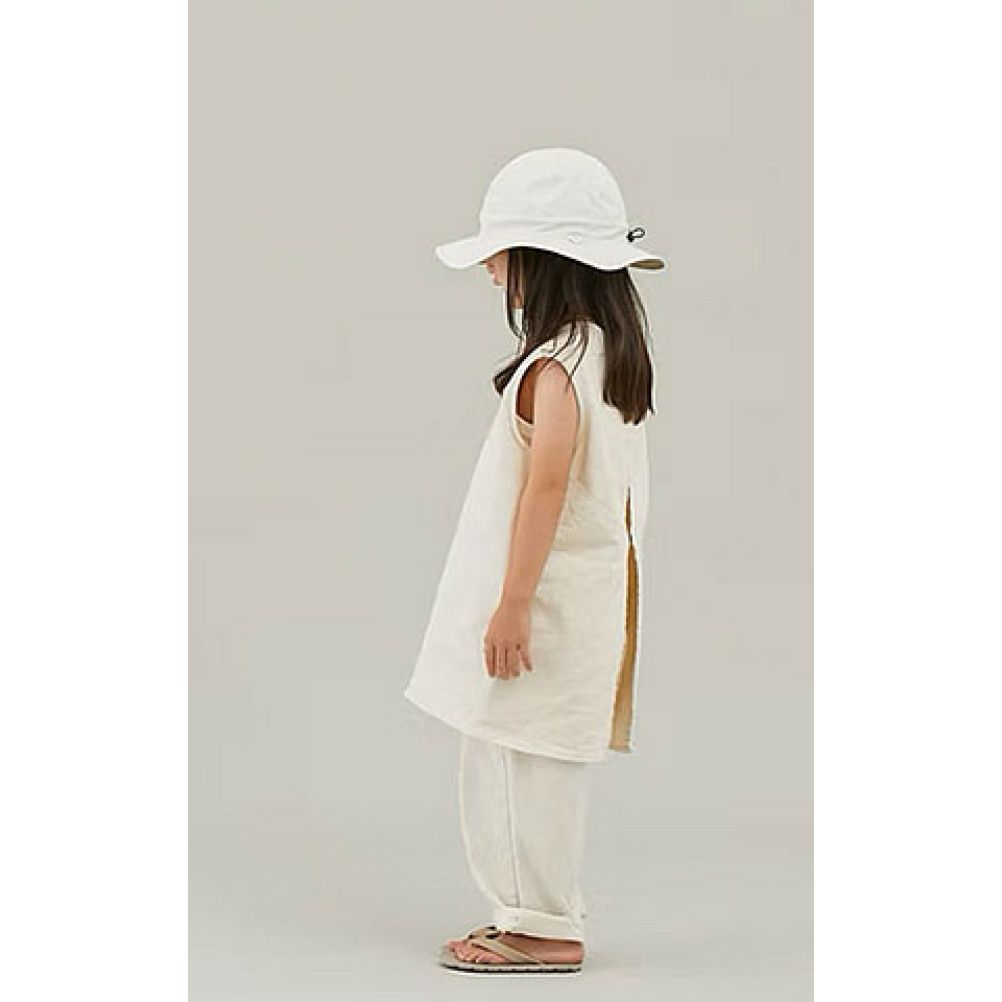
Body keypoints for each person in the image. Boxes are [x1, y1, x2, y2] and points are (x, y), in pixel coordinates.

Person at [402, 147, 668, 974]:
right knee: (530, 757)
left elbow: (547, 485)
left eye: (502, 253)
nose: (490, 270)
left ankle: (541, 926)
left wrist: (513, 602)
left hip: (542, 606)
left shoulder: (555, 367)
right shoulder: (605, 354)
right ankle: (532, 914)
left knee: (516, 764)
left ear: (543, 261)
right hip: (583, 598)